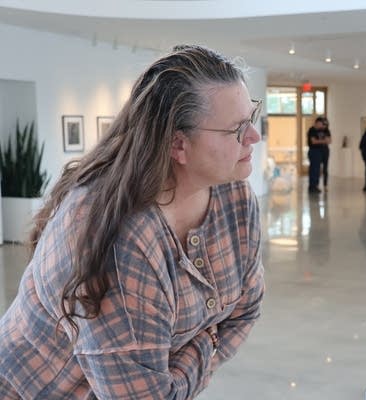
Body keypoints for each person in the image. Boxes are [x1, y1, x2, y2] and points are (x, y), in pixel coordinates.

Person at [0, 45, 265, 399]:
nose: (254, 137)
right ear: (178, 144)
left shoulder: (234, 195)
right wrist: (209, 341)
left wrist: (183, 365)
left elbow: (247, 310)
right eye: (236, 129)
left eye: (252, 117)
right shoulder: (119, 236)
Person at [307, 116, 331, 193]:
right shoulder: (312, 130)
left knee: (317, 170)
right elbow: (313, 141)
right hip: (314, 151)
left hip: (321, 152)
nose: (322, 125)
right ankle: (312, 186)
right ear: (317, 123)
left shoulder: (325, 130)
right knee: (314, 169)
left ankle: (315, 186)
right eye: (321, 123)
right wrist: (324, 141)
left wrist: (320, 141)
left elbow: (329, 140)